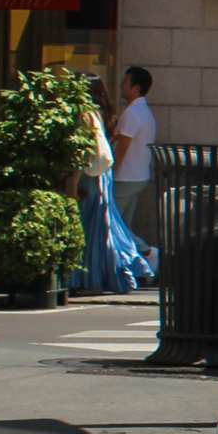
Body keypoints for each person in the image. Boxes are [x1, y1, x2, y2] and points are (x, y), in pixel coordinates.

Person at [69, 76, 155, 296]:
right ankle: (130, 263)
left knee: (99, 227)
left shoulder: (87, 115)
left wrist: (72, 181)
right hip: (105, 174)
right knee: (109, 225)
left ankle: (134, 260)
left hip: (94, 175)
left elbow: (89, 150)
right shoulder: (105, 115)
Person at [111, 65, 159, 259]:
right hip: (138, 176)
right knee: (123, 223)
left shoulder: (132, 113)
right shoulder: (144, 111)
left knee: (111, 221)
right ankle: (137, 262)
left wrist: (111, 171)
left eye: (125, 82)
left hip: (126, 177)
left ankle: (147, 252)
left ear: (136, 88)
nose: (121, 86)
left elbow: (122, 147)